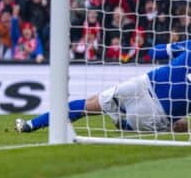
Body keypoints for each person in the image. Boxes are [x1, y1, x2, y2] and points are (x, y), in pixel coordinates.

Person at [15, 39, 191, 134]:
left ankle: (30, 125)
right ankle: (125, 124)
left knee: (89, 105)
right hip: (156, 114)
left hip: (143, 85)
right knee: (180, 125)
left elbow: (154, 52)